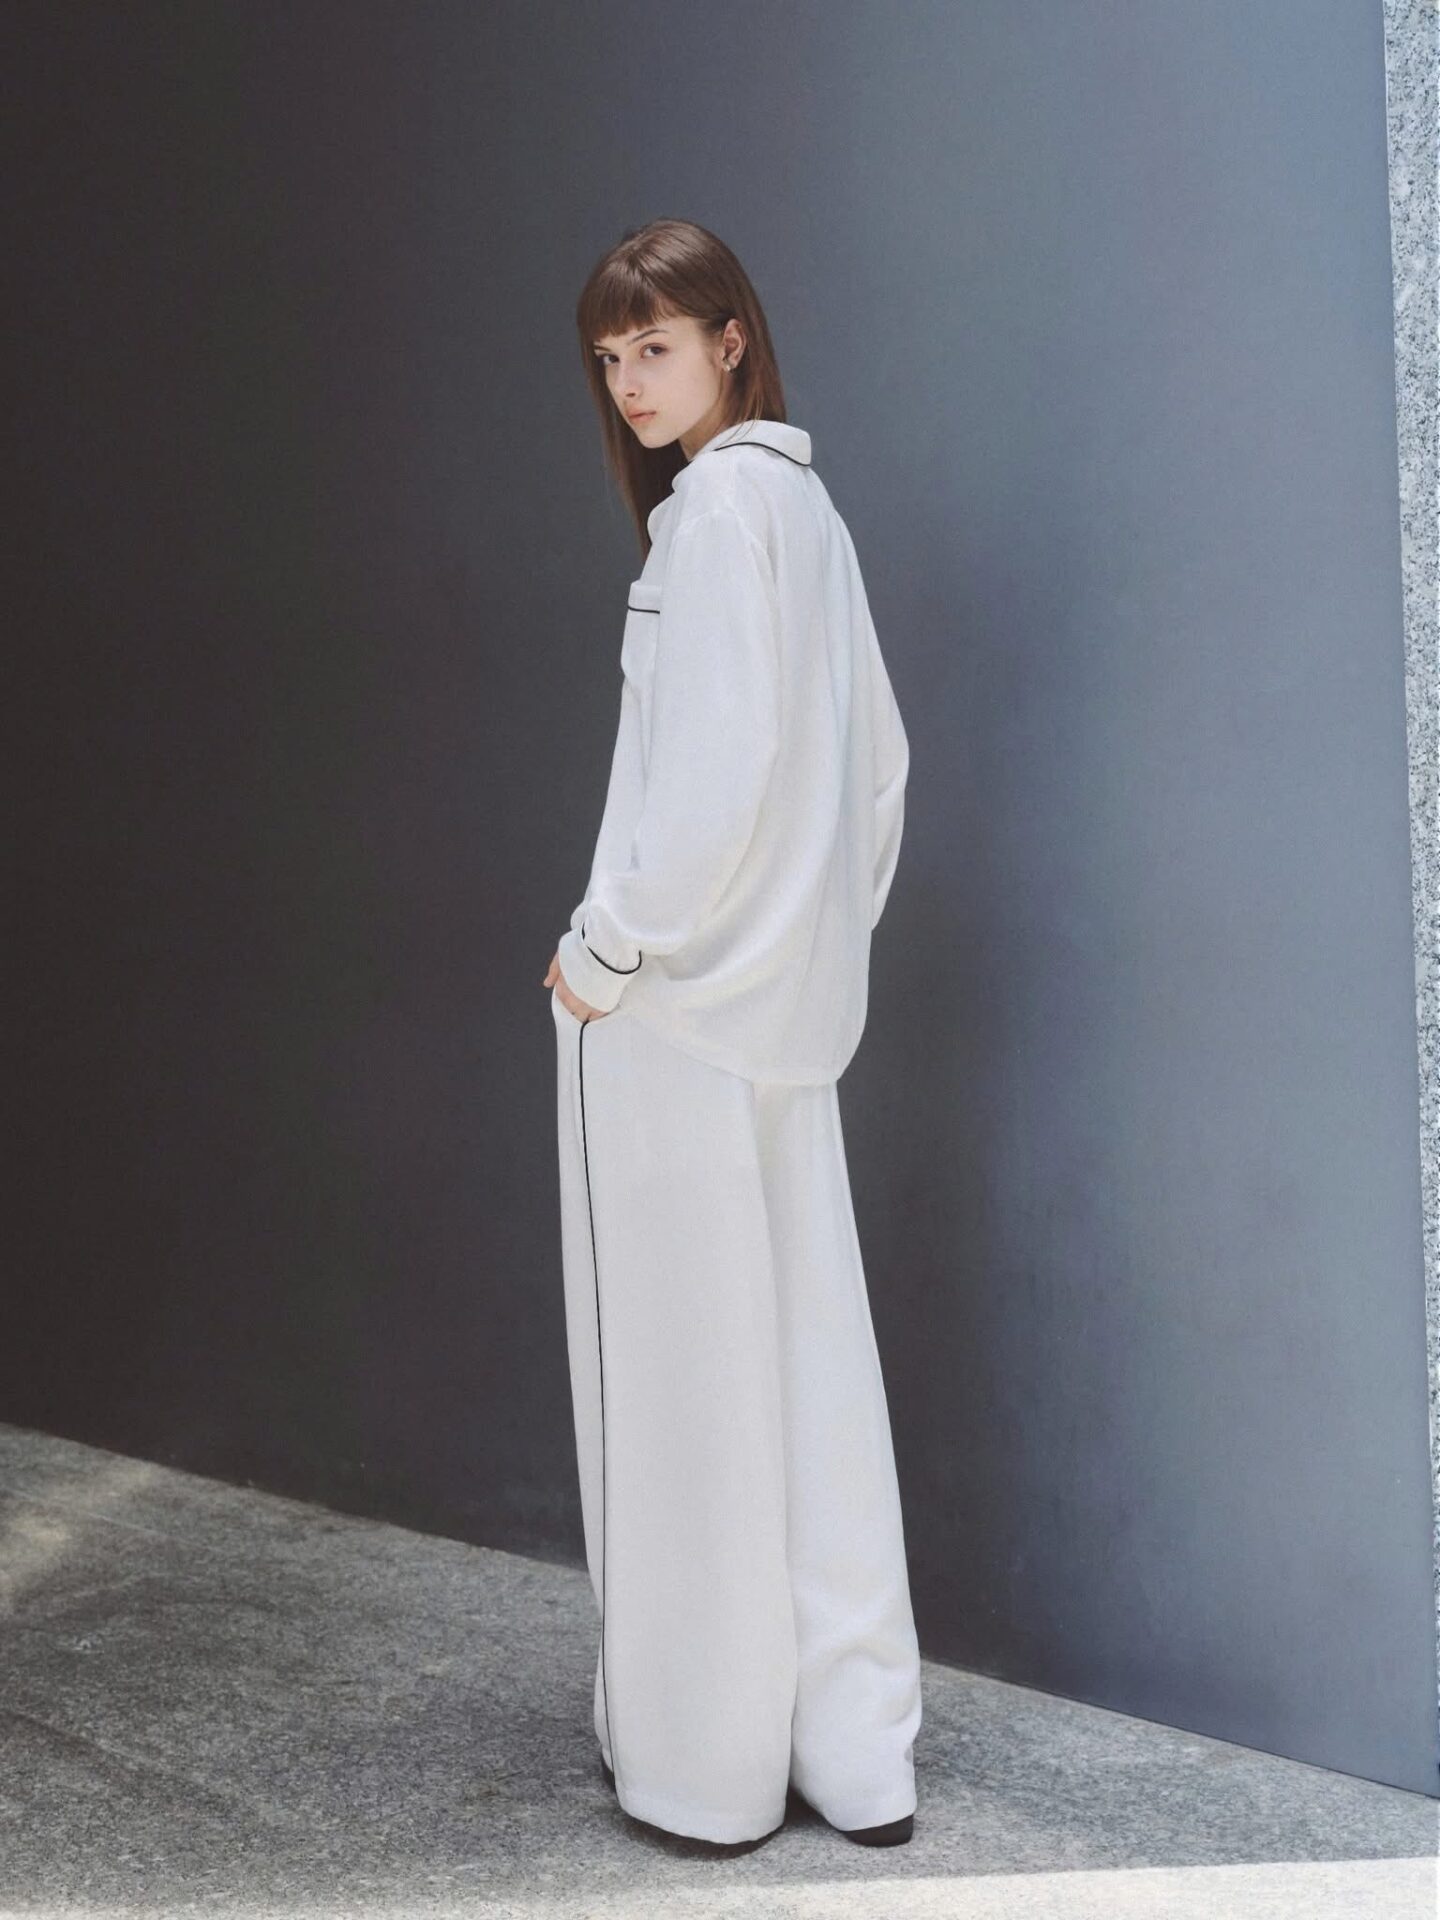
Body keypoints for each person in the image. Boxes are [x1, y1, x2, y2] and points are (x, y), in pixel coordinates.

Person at [544, 218, 920, 1848]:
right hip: (784, 1024)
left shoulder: (712, 519)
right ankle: (858, 1749)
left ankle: (704, 1766)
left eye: (657, 345)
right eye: (610, 357)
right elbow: (878, 774)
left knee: (687, 1401)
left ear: (729, 341)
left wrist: (609, 951)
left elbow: (703, 786)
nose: (632, 382)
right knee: (810, 1378)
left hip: (672, 1019)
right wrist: (806, 948)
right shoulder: (808, 513)